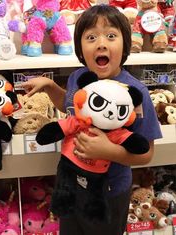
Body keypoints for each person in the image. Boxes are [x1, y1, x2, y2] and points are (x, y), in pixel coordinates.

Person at [20, 4, 162, 235]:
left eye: (111, 35)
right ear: (79, 47)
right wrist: (50, 87)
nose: (101, 43)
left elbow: (147, 153)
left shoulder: (135, 92)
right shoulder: (79, 78)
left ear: (125, 44)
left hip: (109, 191)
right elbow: (69, 107)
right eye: (91, 37)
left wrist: (109, 151)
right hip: (71, 185)